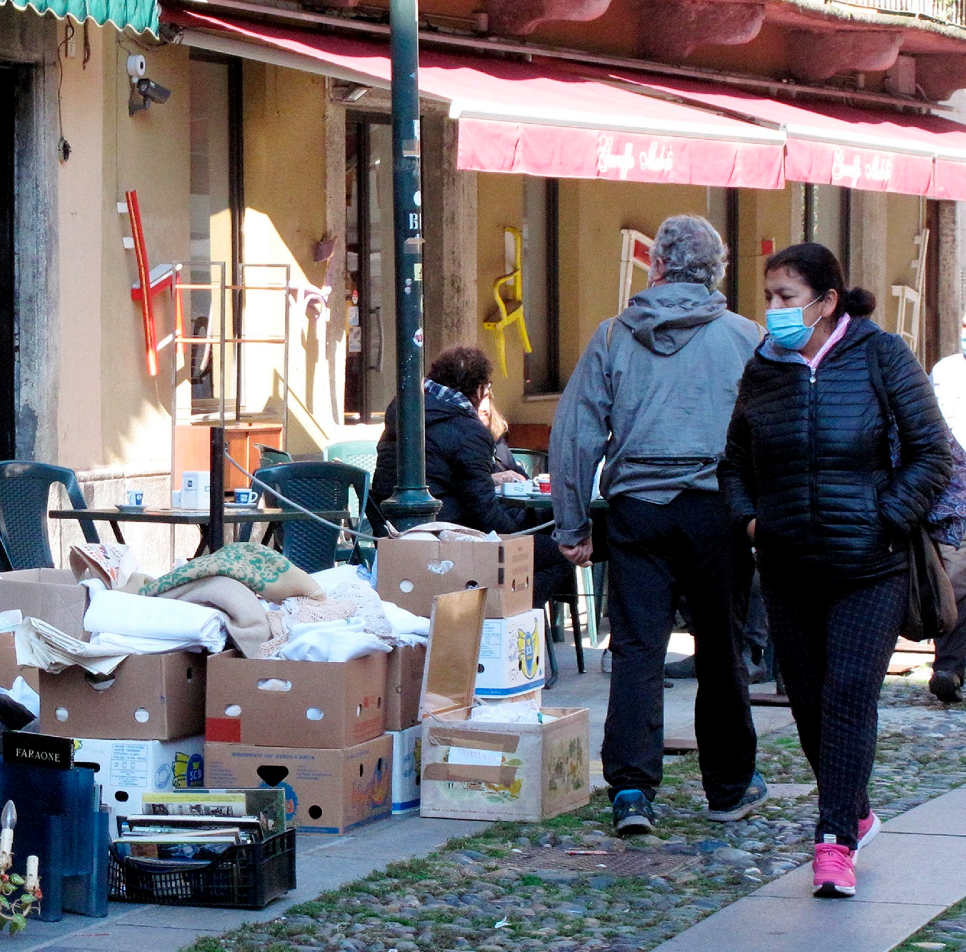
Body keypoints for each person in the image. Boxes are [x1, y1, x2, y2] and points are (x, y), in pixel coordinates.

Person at [721, 242, 950, 898]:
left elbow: (934, 452)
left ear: (825, 303)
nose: (773, 311)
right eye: (768, 297)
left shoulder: (880, 356)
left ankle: (833, 840)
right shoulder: (763, 369)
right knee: (813, 702)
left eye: (785, 298)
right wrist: (752, 521)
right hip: (790, 566)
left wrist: (886, 516)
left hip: (869, 566)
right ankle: (854, 806)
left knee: (849, 691)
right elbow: (733, 463)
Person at [550, 214, 765, 838]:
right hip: (716, 509)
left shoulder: (614, 336)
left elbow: (574, 434)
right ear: (717, 272)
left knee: (638, 649)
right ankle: (727, 787)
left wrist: (571, 526)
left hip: (638, 509)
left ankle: (632, 791)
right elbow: (767, 434)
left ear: (657, 266)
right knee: (721, 648)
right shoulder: (745, 337)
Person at [371, 346, 573, 603]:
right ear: (479, 390)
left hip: (394, 536)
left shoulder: (402, 412)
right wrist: (519, 535)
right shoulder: (469, 430)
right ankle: (497, 620)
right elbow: (484, 512)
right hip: (448, 540)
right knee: (559, 555)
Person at [927, 313, 966, 703]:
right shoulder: (950, 372)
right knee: (955, 585)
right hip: (953, 503)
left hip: (952, 500)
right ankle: (949, 668)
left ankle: (950, 667)